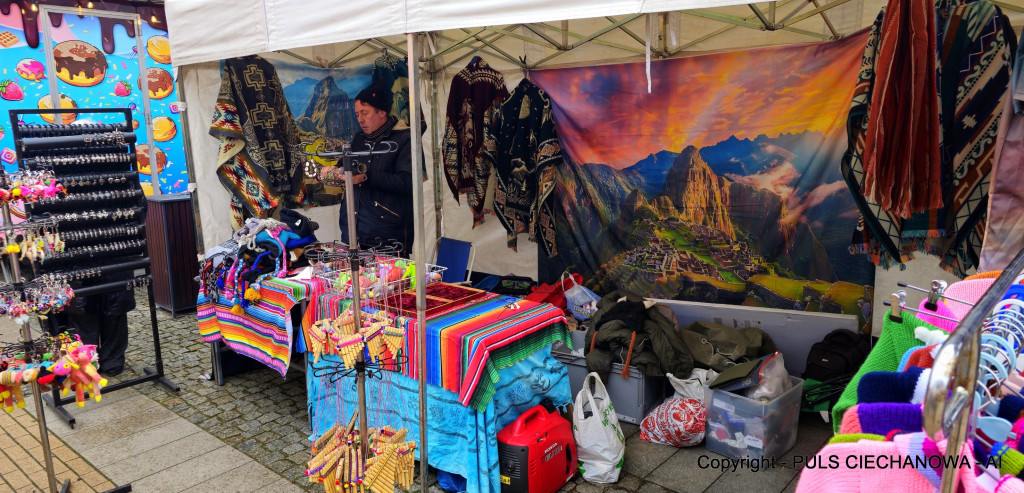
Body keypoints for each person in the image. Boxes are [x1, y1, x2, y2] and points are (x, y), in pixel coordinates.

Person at [321, 81, 414, 257]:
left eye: (365, 113)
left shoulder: (404, 139)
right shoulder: (359, 139)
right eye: (357, 114)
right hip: (354, 233)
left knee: (390, 284)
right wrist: (335, 169)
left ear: (382, 112)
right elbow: (348, 166)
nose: (360, 119)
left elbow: (408, 182)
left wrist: (366, 177)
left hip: (387, 238)